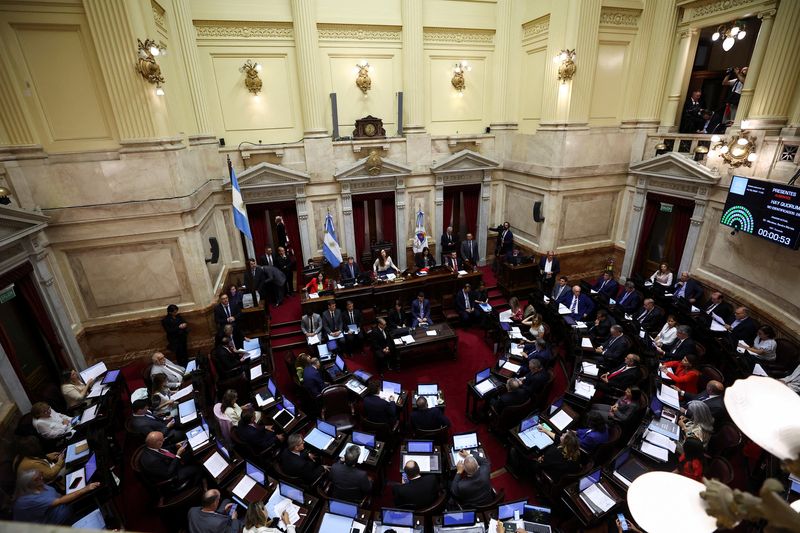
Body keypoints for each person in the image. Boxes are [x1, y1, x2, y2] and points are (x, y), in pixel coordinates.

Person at [13, 469, 99, 524]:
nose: (42, 478)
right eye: (38, 478)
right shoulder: (28, 500)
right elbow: (60, 501)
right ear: (30, 484)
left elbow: (58, 496)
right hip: (62, 523)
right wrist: (85, 489)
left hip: (68, 506)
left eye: (40, 476)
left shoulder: (37, 485)